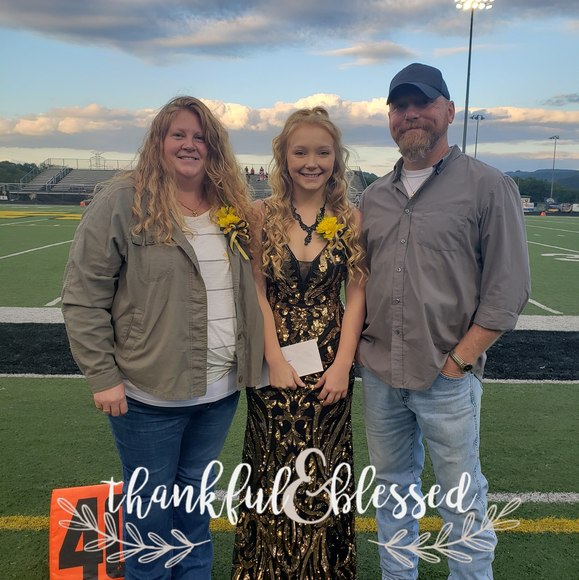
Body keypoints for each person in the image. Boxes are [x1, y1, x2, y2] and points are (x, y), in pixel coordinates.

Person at [61, 96, 263, 579]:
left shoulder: (230, 203)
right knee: (150, 516)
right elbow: (83, 295)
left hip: (219, 392)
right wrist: (102, 375)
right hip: (148, 393)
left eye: (201, 137)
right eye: (179, 135)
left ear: (214, 148)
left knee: (194, 506)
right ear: (159, 141)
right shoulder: (123, 199)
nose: (190, 145)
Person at [359, 63, 530, 579]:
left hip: (447, 375)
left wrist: (459, 360)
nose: (411, 114)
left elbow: (508, 289)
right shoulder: (373, 197)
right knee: (392, 493)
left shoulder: (488, 186)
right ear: (390, 117)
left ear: (450, 111)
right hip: (381, 375)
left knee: (461, 499)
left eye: (423, 103)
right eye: (400, 106)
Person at [231, 107, 366, 579]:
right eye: (300, 152)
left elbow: (357, 295)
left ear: (336, 159)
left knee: (324, 470)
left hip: (330, 365)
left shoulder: (350, 218)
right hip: (275, 363)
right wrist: (273, 359)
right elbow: (257, 291)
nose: (312, 162)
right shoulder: (261, 215)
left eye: (322, 152)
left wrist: (343, 365)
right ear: (283, 158)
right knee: (271, 466)